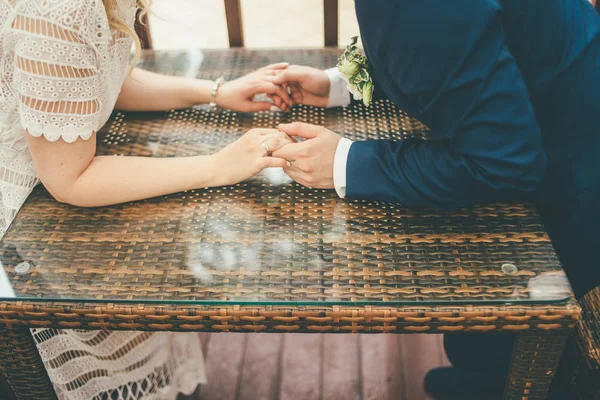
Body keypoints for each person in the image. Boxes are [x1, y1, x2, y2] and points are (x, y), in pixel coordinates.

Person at [270, 0, 600, 398]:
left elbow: (503, 163)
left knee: (492, 340)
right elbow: (462, 46)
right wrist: (346, 84)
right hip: (554, 105)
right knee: (473, 342)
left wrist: (348, 162)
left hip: (577, 182)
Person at [0, 0, 294, 398]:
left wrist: (216, 92)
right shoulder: (58, 11)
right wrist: (218, 167)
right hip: (21, 225)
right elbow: (70, 179)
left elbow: (97, 81)